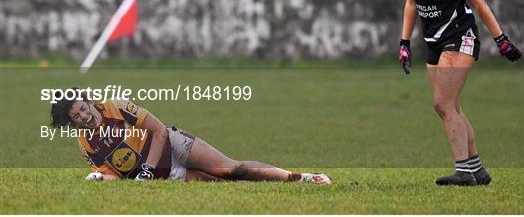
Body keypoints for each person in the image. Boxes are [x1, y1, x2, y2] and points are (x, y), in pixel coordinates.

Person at [397, 0, 522, 186]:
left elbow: (478, 3)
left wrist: (500, 39)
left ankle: (463, 170)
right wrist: (405, 43)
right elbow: (410, 4)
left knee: (442, 103)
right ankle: (476, 170)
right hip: (433, 43)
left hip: (459, 37)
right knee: (450, 106)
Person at [50, 90, 331, 184]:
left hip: (173, 146)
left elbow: (159, 131)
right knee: (223, 185)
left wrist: (146, 169)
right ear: (70, 122)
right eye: (76, 117)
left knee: (230, 169)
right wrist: (100, 178)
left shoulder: (117, 106)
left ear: (87, 101)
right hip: (163, 174)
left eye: (83, 109)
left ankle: (303, 177)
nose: (84, 116)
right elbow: (112, 173)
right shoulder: (85, 144)